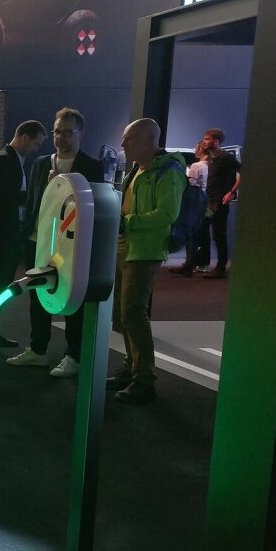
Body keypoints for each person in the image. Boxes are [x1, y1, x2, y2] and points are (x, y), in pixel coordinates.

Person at [7, 108, 104, 377]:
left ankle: (74, 355)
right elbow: (32, 201)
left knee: (72, 298)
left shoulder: (91, 165)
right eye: (57, 132)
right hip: (38, 242)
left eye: (67, 132)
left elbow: (93, 207)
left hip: (71, 246)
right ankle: (38, 350)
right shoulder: (41, 163)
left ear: (81, 134)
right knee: (38, 297)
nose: (60, 137)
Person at [107, 118, 186, 404]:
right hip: (125, 249)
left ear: (149, 140)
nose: (123, 145)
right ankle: (132, 368)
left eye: (128, 139)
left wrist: (127, 222)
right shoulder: (138, 170)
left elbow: (167, 214)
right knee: (123, 313)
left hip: (144, 252)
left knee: (133, 313)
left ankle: (144, 380)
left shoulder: (168, 171)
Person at [0, 121, 47, 350]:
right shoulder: (4, 160)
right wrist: (33, 196)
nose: (36, 149)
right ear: (24, 137)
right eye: (35, 143)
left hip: (6, 235)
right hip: (0, 236)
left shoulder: (11, 160)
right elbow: (1, 199)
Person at [197, 128, 240, 279]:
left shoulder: (226, 157)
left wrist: (231, 192)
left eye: (207, 139)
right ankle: (198, 263)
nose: (204, 141)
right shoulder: (211, 157)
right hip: (210, 203)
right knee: (201, 228)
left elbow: (243, 172)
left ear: (216, 141)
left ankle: (221, 268)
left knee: (219, 234)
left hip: (220, 203)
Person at [171, 142, 211, 277]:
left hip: (195, 203)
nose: (194, 150)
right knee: (204, 235)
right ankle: (202, 264)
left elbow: (189, 185)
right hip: (207, 201)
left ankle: (189, 265)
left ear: (200, 149)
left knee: (192, 233)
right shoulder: (210, 166)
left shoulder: (196, 166)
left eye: (196, 148)